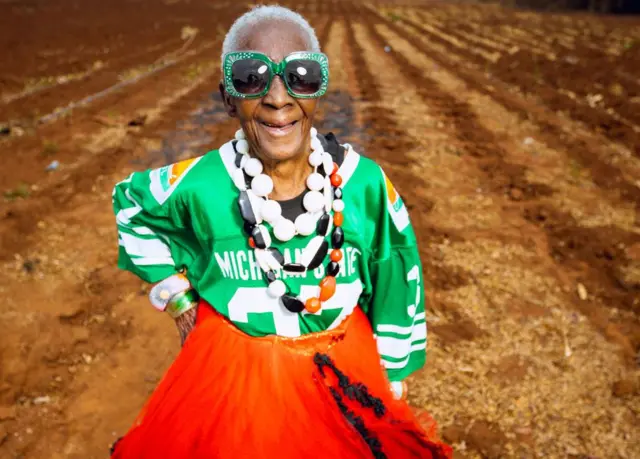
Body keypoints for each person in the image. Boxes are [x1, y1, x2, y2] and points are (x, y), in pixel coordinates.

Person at [109, 5, 452, 459]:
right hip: (233, 387)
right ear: (228, 96)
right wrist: (178, 299)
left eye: (301, 75)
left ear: (318, 92)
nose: (277, 97)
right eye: (251, 76)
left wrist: (388, 385)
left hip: (342, 372)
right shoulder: (200, 184)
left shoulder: (363, 185)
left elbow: (394, 283)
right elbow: (131, 206)